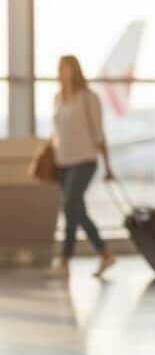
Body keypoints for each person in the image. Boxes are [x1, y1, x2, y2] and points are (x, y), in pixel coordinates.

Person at [51, 55, 116, 278]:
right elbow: (57, 132)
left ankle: (68, 258)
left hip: (84, 159)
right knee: (73, 210)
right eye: (60, 68)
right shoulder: (58, 97)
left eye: (66, 68)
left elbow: (99, 132)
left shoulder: (89, 98)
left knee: (71, 205)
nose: (62, 72)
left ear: (75, 70)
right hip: (63, 162)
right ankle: (100, 255)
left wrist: (107, 165)